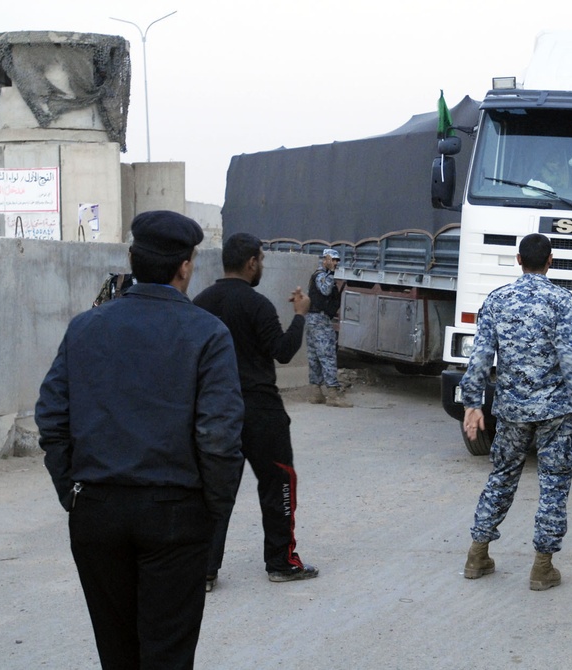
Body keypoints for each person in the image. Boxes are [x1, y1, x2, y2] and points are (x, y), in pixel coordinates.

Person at [34, 210, 245, 669]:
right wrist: (213, 511)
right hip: (175, 514)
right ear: (186, 266)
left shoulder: (85, 327)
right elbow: (219, 438)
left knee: (118, 654)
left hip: (97, 513)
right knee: (167, 654)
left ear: (131, 257)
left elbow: (51, 417)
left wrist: (73, 491)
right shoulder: (208, 334)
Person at [461, 233, 572, 591]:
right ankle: (542, 567)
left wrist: (472, 403)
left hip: (512, 409)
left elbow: (480, 356)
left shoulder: (497, 300)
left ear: (518, 260)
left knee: (502, 477)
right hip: (556, 412)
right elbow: (571, 358)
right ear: (551, 261)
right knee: (554, 483)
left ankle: (478, 554)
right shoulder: (562, 301)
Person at [193, 233, 320, 589]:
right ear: (251, 262)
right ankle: (281, 562)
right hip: (261, 410)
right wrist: (299, 316)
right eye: (261, 260)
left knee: (216, 488)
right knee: (278, 480)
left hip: (217, 410)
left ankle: (204, 569)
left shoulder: (201, 303)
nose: (261, 265)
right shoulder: (258, 304)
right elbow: (282, 351)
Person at [306, 248, 351, 407]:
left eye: (337, 260)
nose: (335, 263)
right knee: (327, 355)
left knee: (315, 356)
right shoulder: (321, 275)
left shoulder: (319, 275)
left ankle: (316, 392)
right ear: (325, 259)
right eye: (333, 260)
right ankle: (332, 394)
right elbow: (325, 291)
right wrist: (331, 273)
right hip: (320, 320)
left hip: (314, 319)